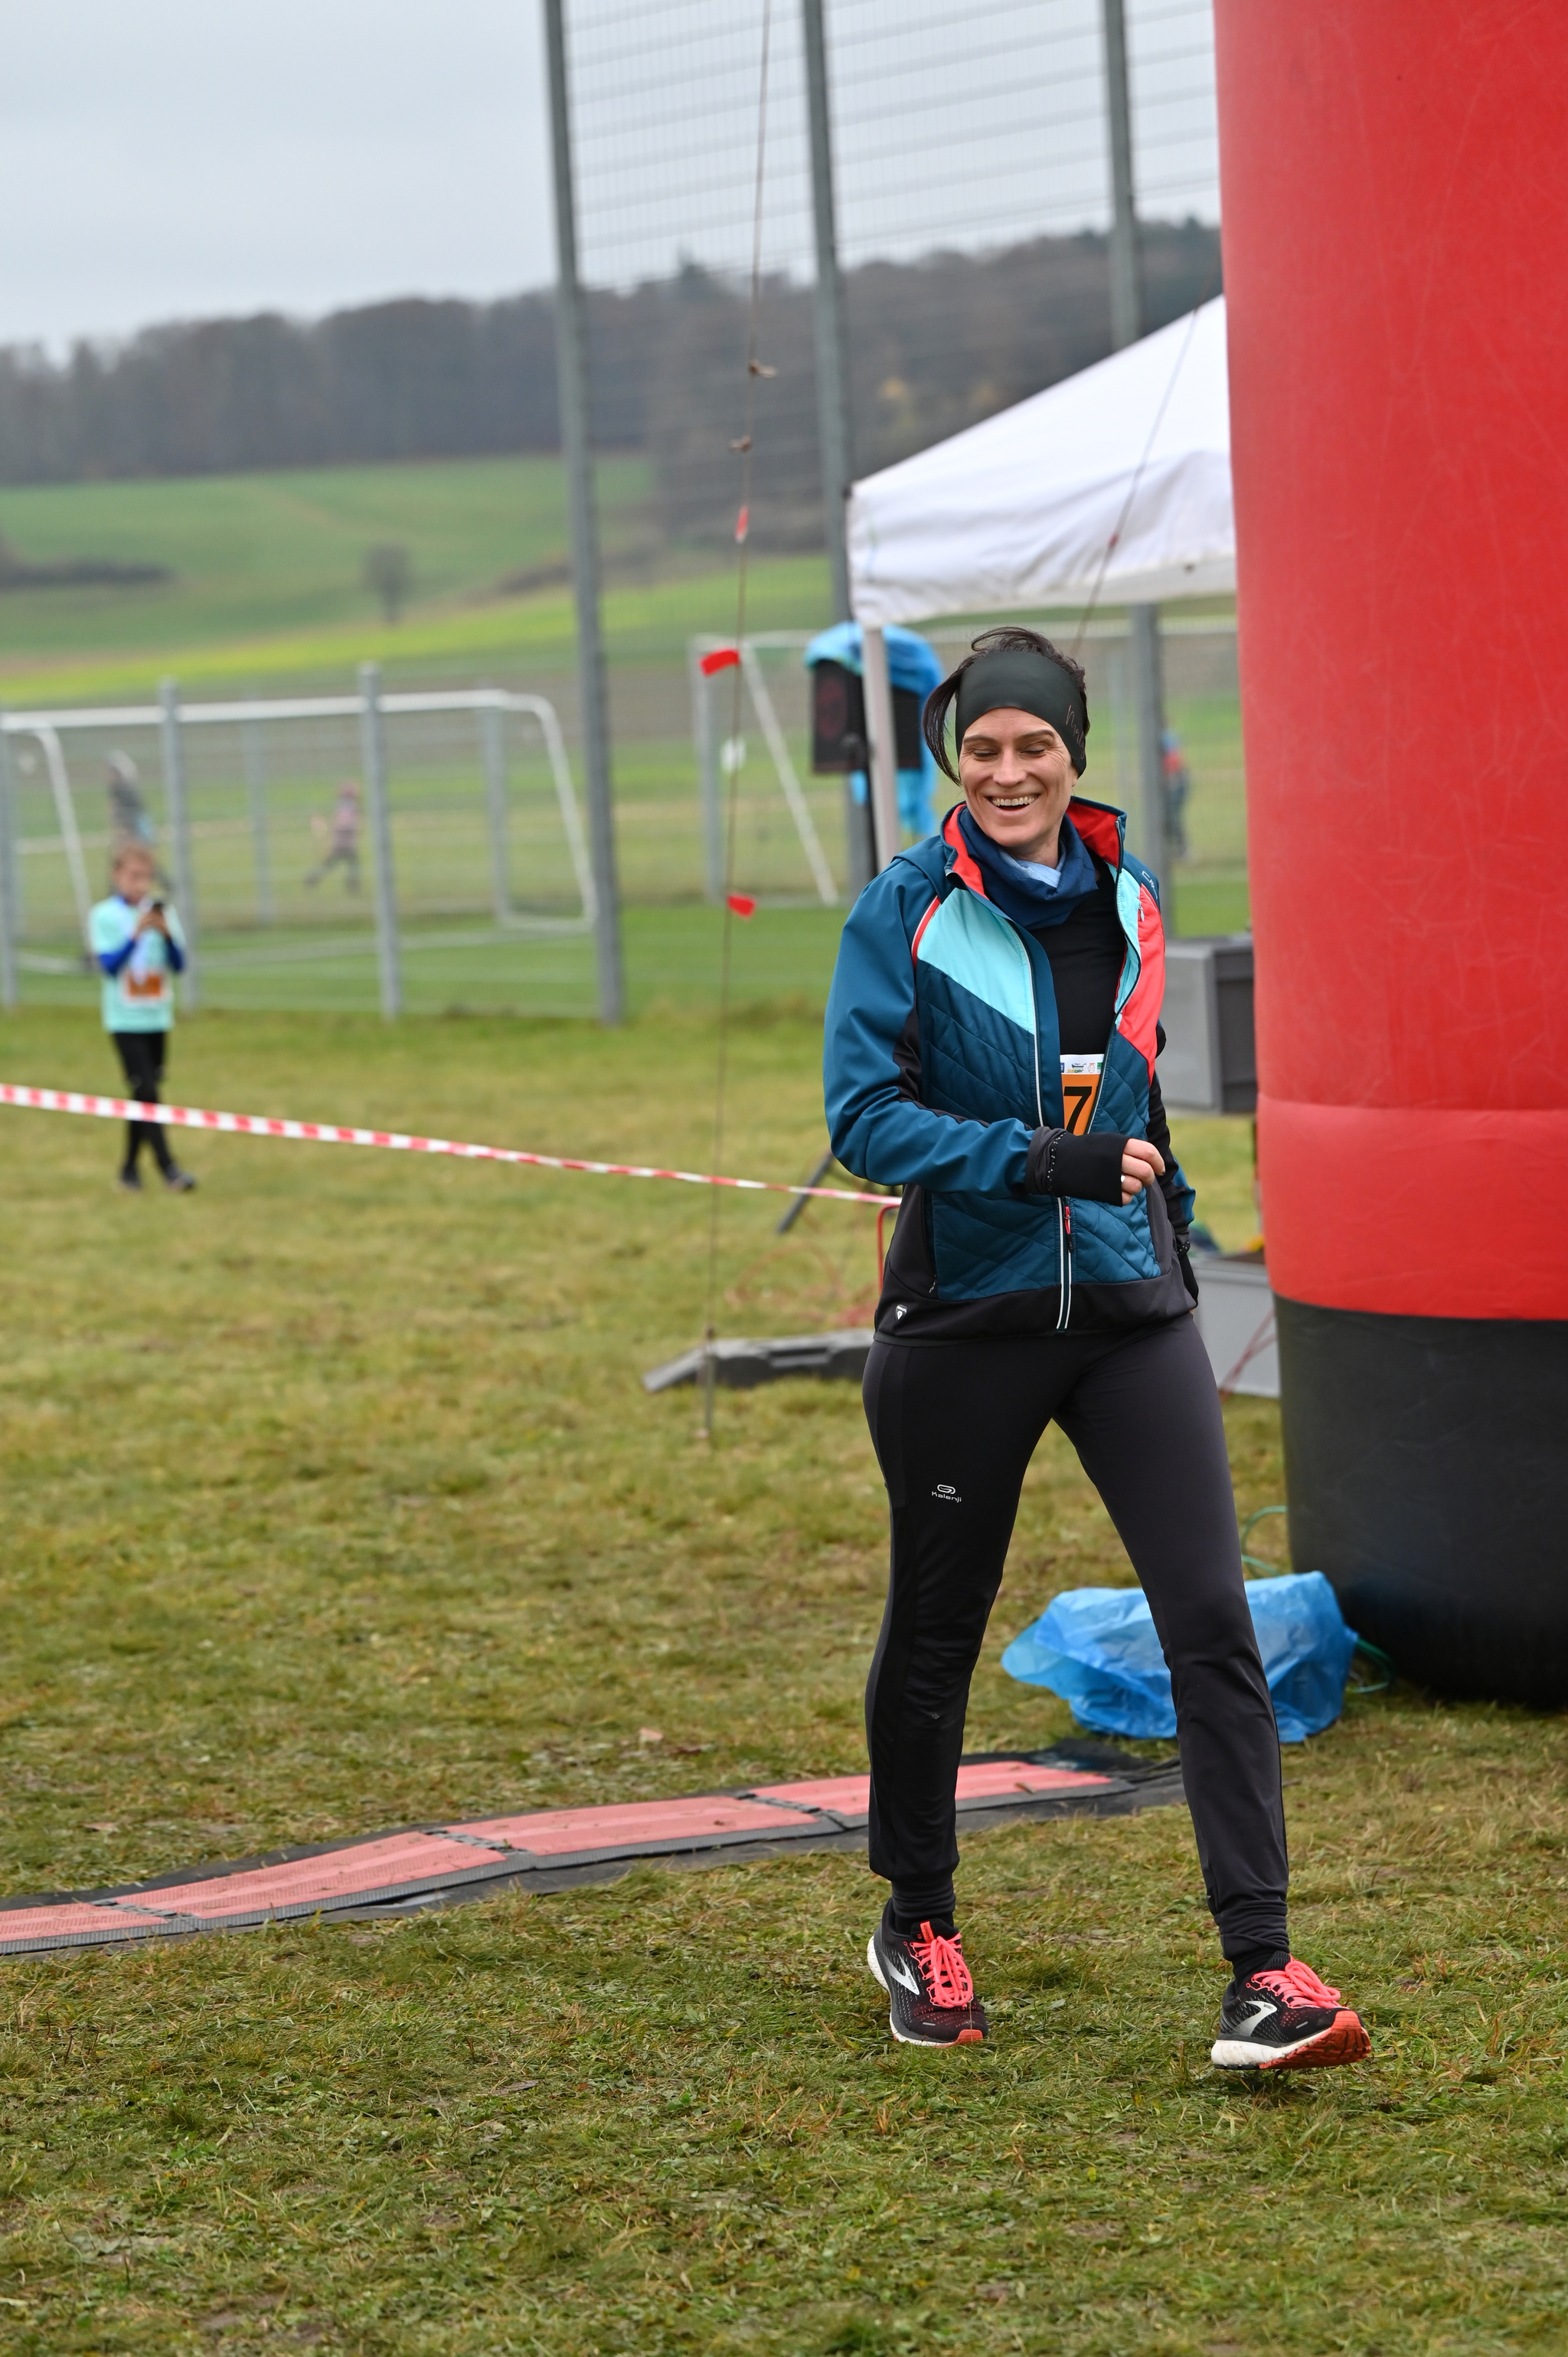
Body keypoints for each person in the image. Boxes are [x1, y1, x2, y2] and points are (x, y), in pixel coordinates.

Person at [823, 625, 1368, 2073]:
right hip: (965, 1322)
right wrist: (1031, 1161)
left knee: (1211, 1619)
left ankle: (1263, 1967)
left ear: (1074, 752)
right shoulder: (906, 907)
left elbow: (1134, 1092)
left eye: (1034, 745)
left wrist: (1170, 1239)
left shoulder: (1130, 896)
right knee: (935, 1629)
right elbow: (862, 1118)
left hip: (1130, 1319)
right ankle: (918, 1918)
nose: (1007, 771)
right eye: (982, 748)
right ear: (954, 758)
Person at [89, 842, 197, 1195]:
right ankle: (168, 1168)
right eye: (133, 876)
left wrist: (164, 934)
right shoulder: (104, 915)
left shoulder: (162, 913)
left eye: (145, 877)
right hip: (125, 1020)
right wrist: (135, 935)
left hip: (156, 1017)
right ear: (117, 875)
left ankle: (128, 1170)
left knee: (143, 1094)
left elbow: (178, 964)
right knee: (147, 1091)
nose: (139, 884)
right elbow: (109, 966)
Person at [305, 780, 362, 891]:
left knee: (339, 865)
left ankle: (312, 879)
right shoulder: (348, 806)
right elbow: (344, 823)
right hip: (344, 844)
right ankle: (312, 879)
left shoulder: (344, 805)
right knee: (348, 866)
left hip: (342, 843)